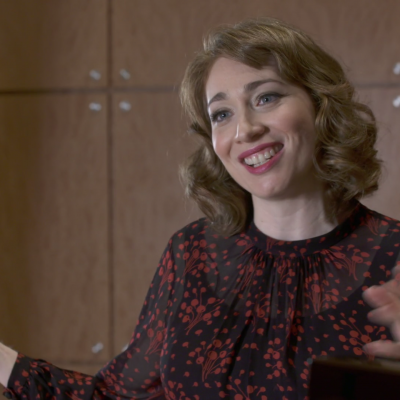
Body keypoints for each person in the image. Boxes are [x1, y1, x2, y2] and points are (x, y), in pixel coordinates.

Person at [1, 17, 400, 400]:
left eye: (266, 97)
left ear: (321, 105)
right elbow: (117, 396)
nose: (245, 130)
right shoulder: (190, 254)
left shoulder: (394, 254)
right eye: (222, 114)